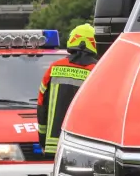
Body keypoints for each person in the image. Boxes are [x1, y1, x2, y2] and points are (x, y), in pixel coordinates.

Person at [37, 23, 98, 153]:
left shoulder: (54, 68)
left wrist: (42, 139)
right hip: (86, 146)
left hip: (55, 145)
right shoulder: (98, 70)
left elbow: (42, 105)